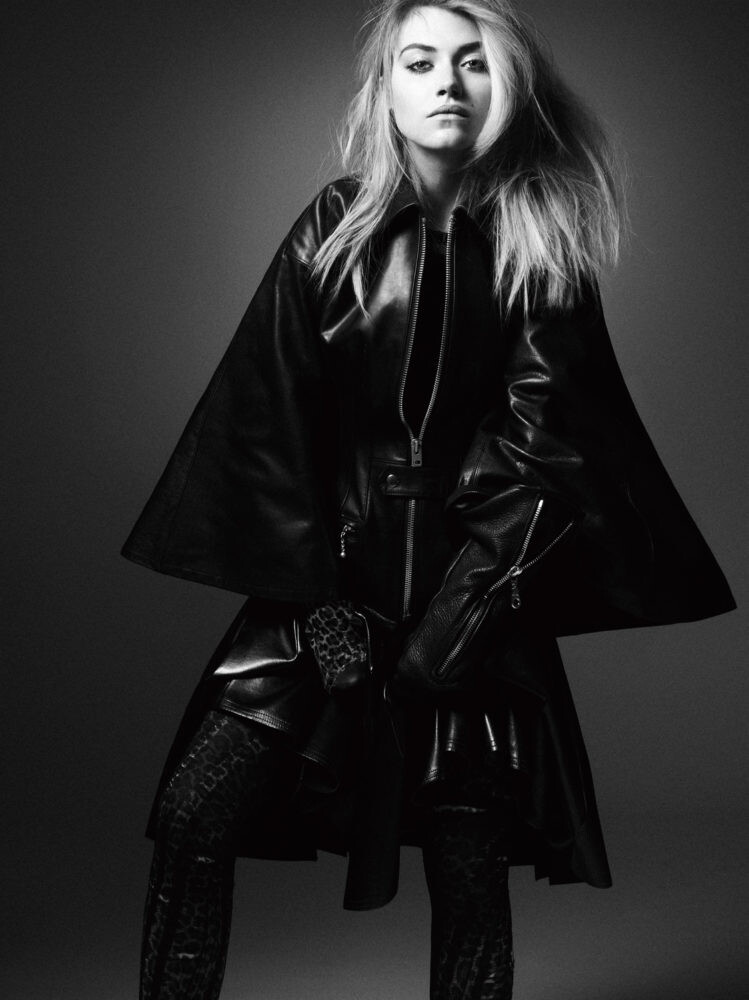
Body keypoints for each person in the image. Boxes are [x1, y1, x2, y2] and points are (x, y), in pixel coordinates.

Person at [122, 2, 735, 997]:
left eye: (473, 61)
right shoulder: (333, 225)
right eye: (419, 61)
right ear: (386, 89)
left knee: (468, 863)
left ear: (510, 88)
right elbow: (269, 420)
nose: (447, 81)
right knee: (196, 812)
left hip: (472, 614)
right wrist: (317, 601)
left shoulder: (542, 245)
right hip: (323, 602)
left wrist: (452, 629)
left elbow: (545, 448)